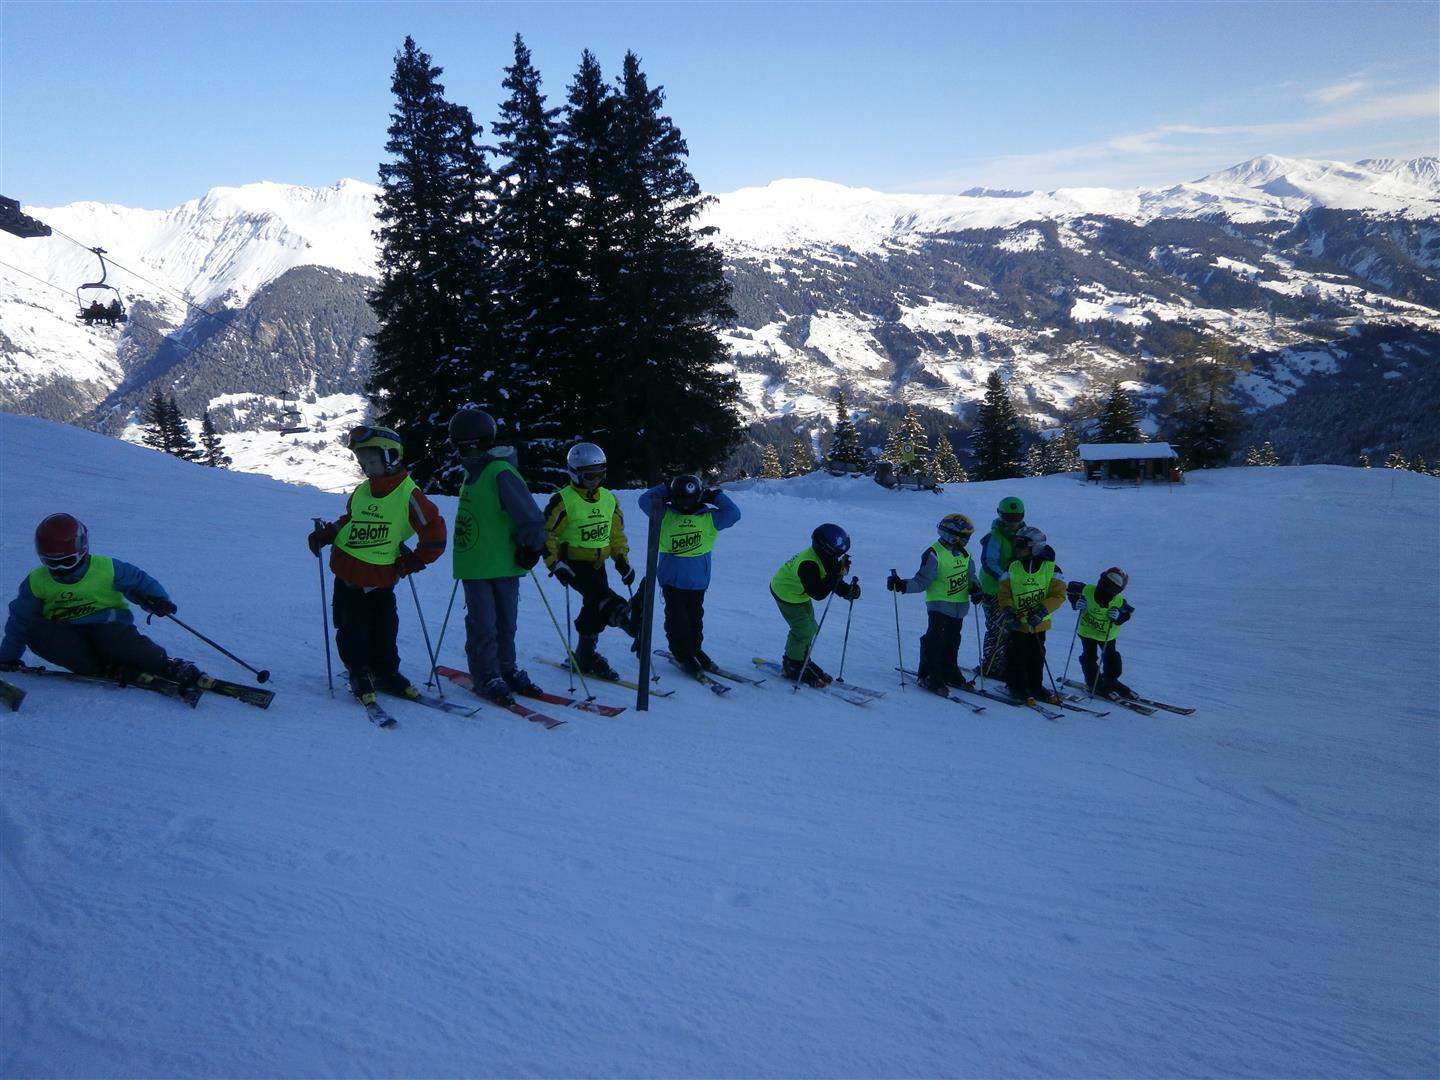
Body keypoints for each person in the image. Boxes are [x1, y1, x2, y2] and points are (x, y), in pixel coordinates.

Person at [307, 425, 446, 705]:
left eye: (372, 462)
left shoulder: (409, 495)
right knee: (352, 626)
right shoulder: (362, 490)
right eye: (363, 463)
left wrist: (413, 561)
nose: (367, 469)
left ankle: (385, 671)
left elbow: (434, 534)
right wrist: (328, 534)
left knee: (385, 626)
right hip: (348, 571)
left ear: (391, 458)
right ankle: (359, 671)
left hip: (382, 575)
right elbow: (351, 520)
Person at [0, 513, 205, 688]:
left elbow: (138, 581)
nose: (59, 569)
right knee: (38, 633)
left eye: (67, 561)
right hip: (68, 634)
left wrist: (157, 599)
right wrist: (8, 657)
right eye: (51, 563)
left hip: (108, 627)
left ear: (82, 549)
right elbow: (20, 621)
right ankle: (99, 669)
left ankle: (162, 665)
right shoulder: (36, 582)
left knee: (117, 641)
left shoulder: (106, 568)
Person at [449, 406, 547, 706]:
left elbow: (529, 515)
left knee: (505, 623)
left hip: (503, 562)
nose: (468, 454)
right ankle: (487, 674)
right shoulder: (471, 473)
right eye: (464, 449)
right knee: (483, 624)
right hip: (475, 565)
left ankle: (505, 668)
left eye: (472, 447)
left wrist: (531, 547)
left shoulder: (500, 472)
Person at [542, 442, 637, 681]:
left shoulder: (609, 499)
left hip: (598, 562)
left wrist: (621, 560)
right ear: (575, 473)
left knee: (593, 607)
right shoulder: (563, 501)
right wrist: (555, 563)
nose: (595, 481)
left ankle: (585, 656)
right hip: (573, 564)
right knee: (601, 597)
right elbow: (546, 534)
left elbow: (616, 534)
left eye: (599, 475)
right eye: (589, 476)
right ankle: (624, 616)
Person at [636, 473, 742, 676]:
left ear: (698, 498)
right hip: (672, 581)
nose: (685, 504)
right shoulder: (664, 515)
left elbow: (734, 514)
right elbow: (643, 500)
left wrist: (715, 495)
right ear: (674, 497)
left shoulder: (709, 518)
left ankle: (695, 649)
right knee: (677, 620)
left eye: (690, 499)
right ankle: (683, 654)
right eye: (681, 499)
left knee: (695, 618)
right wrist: (666, 487)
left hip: (697, 582)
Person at [887, 513, 984, 696]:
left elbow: (970, 575)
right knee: (935, 640)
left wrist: (976, 589)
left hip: (959, 606)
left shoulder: (965, 553)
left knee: (953, 641)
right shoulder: (934, 554)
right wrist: (902, 585)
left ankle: (949, 671)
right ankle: (929, 675)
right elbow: (922, 581)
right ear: (952, 535)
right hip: (940, 605)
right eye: (964, 536)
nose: (966, 541)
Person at [769, 523, 861, 686]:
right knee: (802, 629)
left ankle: (802, 658)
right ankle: (792, 664)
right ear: (825, 548)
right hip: (786, 593)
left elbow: (829, 579)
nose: (839, 557)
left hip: (800, 594)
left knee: (811, 627)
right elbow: (818, 593)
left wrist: (847, 591)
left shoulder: (826, 557)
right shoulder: (808, 564)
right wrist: (835, 575)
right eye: (837, 553)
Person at [996, 525, 1066, 705]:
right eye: (1016, 543)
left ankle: (1035, 686)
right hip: (1018, 622)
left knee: (1037, 655)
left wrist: (1042, 611)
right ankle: (1017, 685)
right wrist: (1008, 610)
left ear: (1035, 547)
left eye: (1021, 544)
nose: (1017, 548)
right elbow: (1004, 593)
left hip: (1038, 622)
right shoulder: (1013, 567)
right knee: (1017, 654)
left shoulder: (1052, 568)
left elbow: (1058, 595)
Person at [1067, 567, 1136, 699]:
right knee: (1089, 657)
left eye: (1113, 588)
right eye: (1105, 584)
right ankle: (1094, 683)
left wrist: (1119, 616)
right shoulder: (1087, 590)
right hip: (1087, 631)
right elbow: (1071, 588)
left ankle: (1110, 680)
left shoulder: (1118, 601)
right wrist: (1076, 602)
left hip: (1107, 635)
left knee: (1111, 658)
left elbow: (1127, 613)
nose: (1106, 590)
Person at [977, 495, 1027, 680]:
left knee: (1013, 629)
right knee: (997, 628)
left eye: (1017, 517)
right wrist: (1005, 578)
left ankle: (1008, 665)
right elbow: (988, 562)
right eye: (1008, 517)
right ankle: (991, 666)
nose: (1013, 522)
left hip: (1015, 591)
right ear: (1000, 515)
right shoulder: (994, 536)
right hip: (993, 590)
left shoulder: (1025, 534)